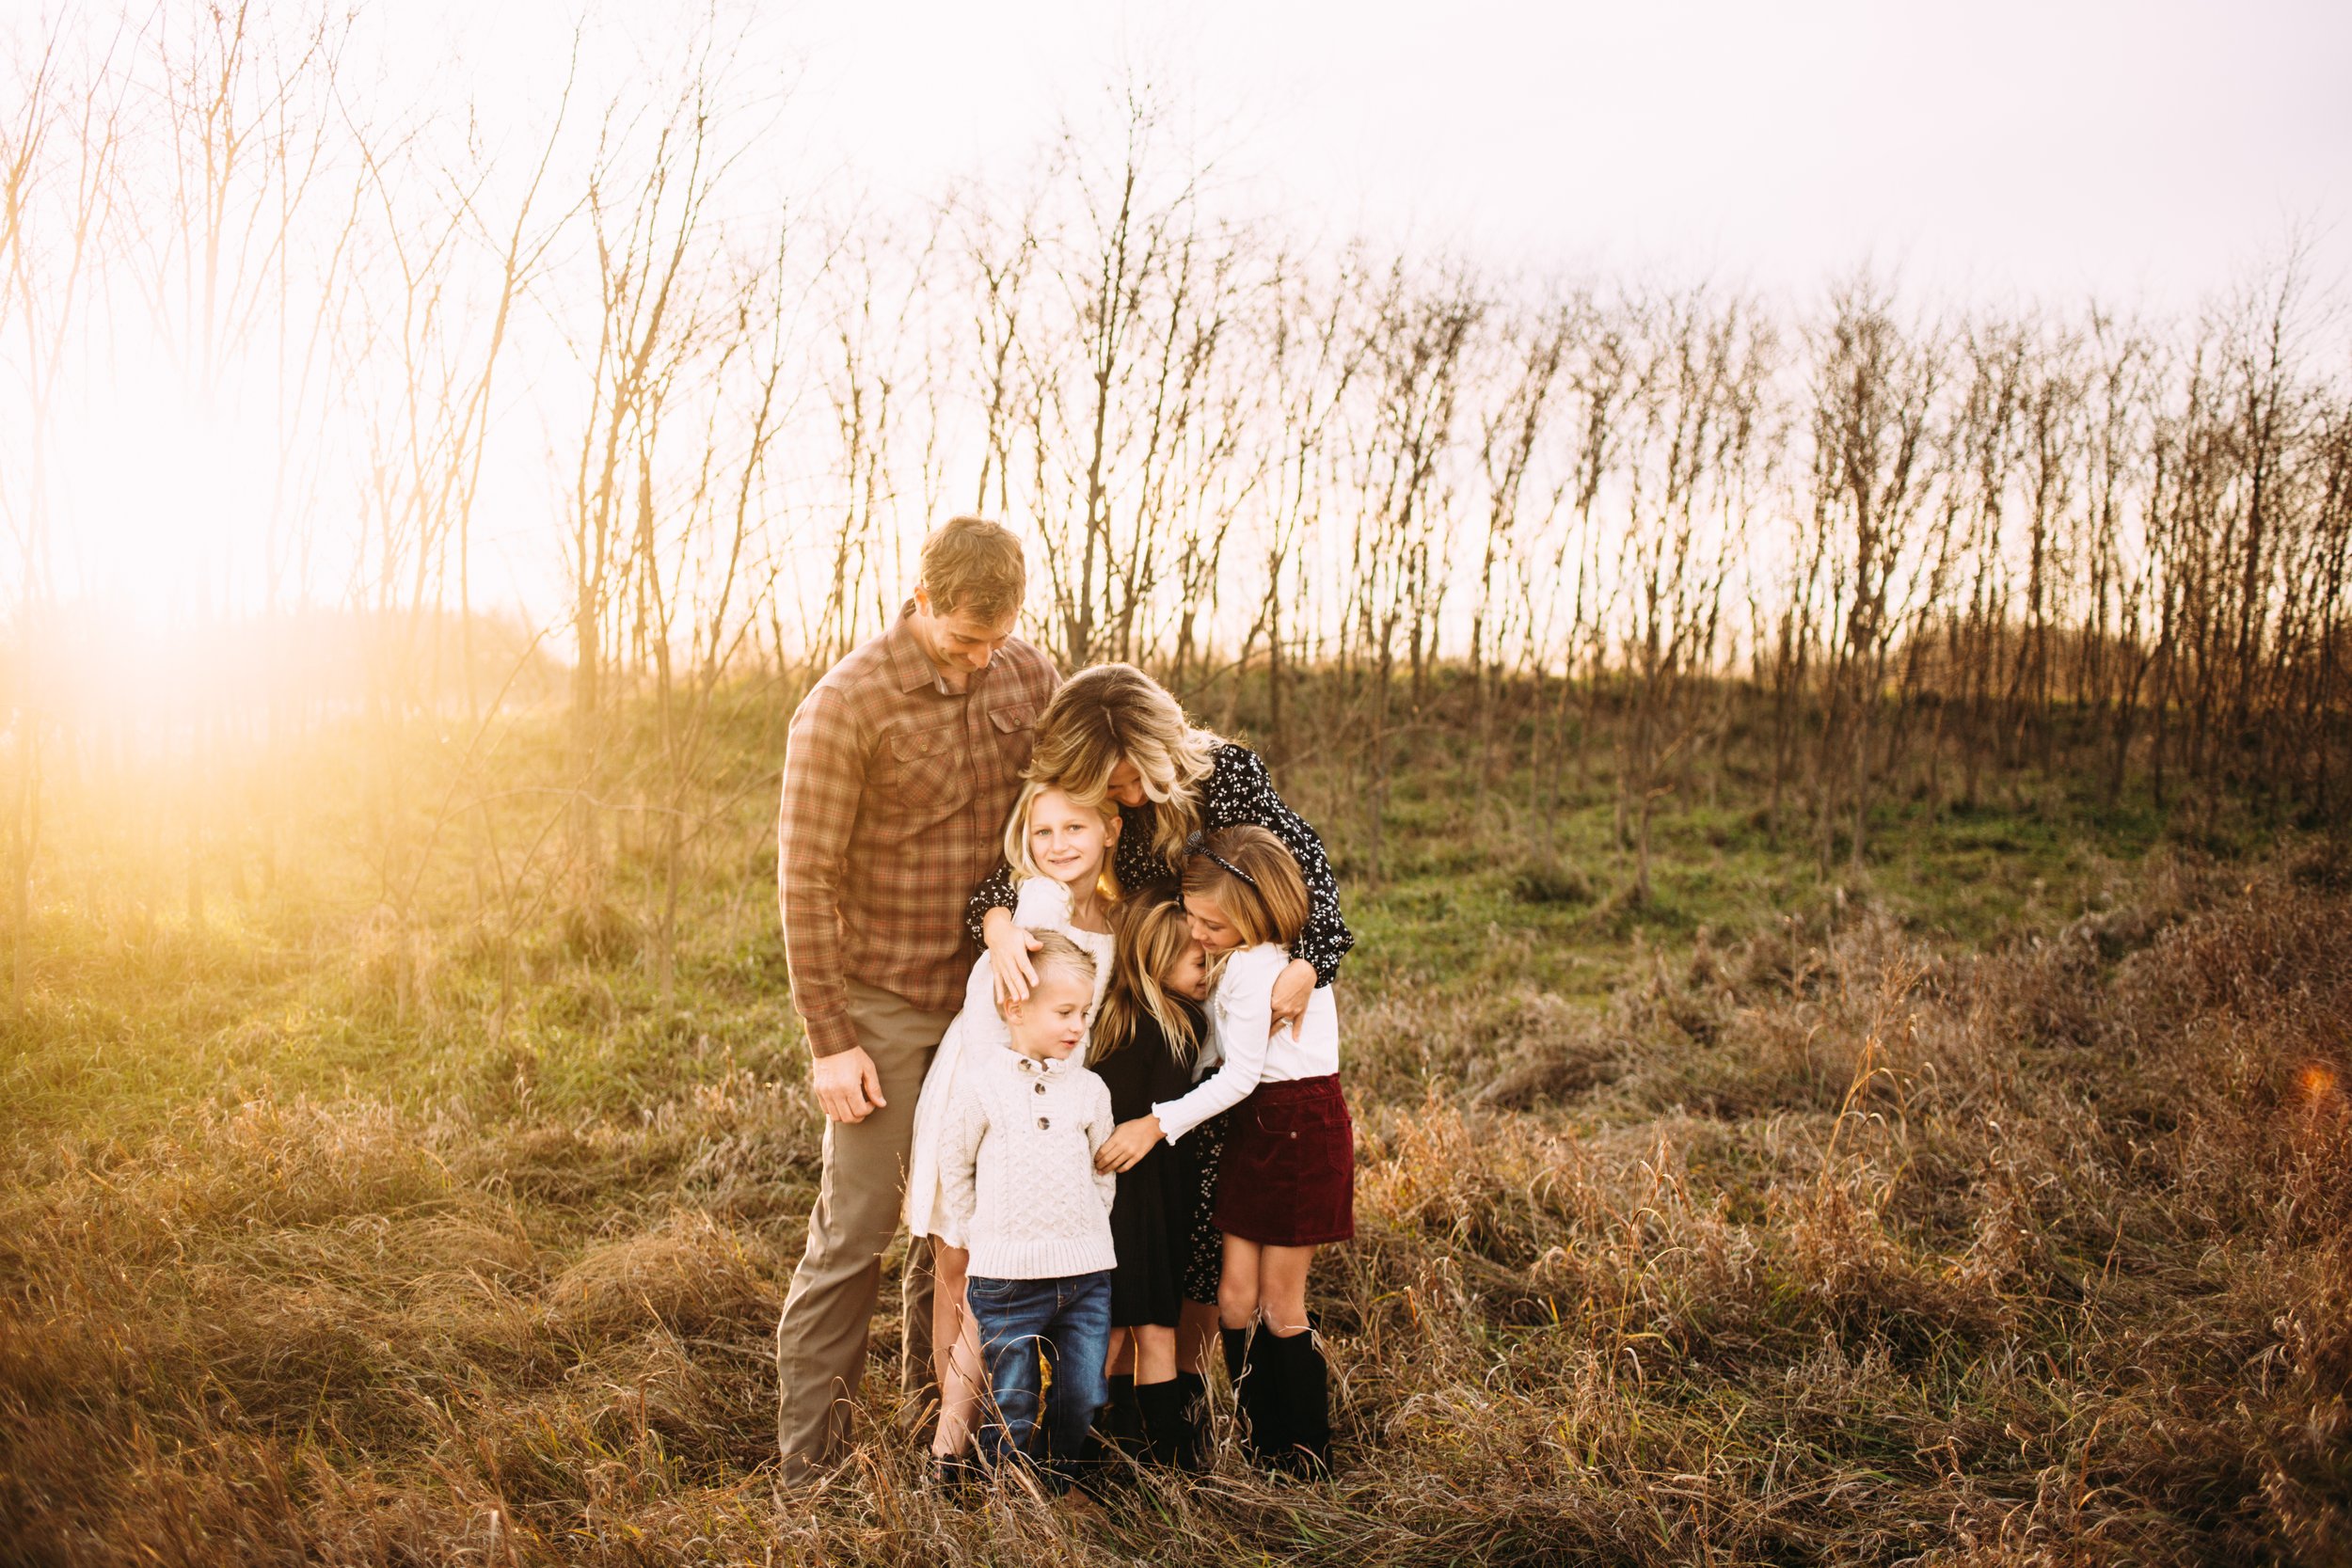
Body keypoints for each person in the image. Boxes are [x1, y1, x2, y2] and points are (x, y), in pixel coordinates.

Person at [771, 516, 1057, 1485]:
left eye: (997, 637)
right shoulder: (843, 706)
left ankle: (935, 1410)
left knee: (963, 1221)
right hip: (884, 999)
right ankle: (810, 1468)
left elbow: (1060, 806)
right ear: (920, 599)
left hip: (992, 994)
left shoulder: (1026, 672)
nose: (982, 659)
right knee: (857, 1227)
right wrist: (831, 1039)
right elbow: (803, 881)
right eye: (962, 639)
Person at [1095, 826, 1353, 1475]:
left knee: (1279, 1304)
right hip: (1257, 1129)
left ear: (1254, 914)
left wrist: (1155, 1122)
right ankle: (1252, 1433)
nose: (1199, 934)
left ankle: (1299, 1452)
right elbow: (1221, 1056)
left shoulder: (1265, 968)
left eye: (1212, 924)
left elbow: (1237, 1077)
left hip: (1296, 1127)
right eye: (1193, 917)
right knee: (1234, 1298)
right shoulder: (1242, 965)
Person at [903, 782, 1120, 1472]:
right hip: (983, 1094)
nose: (1056, 844)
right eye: (1041, 830)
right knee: (961, 1267)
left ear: (1109, 831)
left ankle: (994, 1441)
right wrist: (999, 925)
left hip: (1049, 1112)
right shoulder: (1032, 903)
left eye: (1073, 828)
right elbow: (993, 1013)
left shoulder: (1110, 919)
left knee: (998, 1286)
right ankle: (952, 1440)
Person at [965, 664, 1352, 1041]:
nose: (1133, 796)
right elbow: (1013, 876)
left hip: (1244, 968)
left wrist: (1309, 965)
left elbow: (1304, 861)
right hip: (1152, 989)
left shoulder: (1222, 773)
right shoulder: (1081, 798)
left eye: (1142, 777)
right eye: (1114, 788)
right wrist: (999, 930)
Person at [937, 931, 1120, 1485]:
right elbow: (956, 1165)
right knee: (1012, 1399)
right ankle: (1011, 1495)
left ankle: (1058, 1479)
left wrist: (1089, 1228)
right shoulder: (981, 1085)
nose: (1077, 1025)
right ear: (1015, 1007)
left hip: (1086, 1275)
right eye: (1064, 1011)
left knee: (1083, 1394)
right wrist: (981, 1234)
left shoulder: (1090, 1090)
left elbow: (1102, 1173)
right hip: (1007, 1279)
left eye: (1085, 1012)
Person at [1086, 887, 1216, 1467]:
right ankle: (1166, 1456)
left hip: (1106, 1198)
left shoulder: (1112, 1019)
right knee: (1156, 1328)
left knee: (1109, 1328)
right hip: (1152, 1199)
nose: (1208, 975)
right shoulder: (1178, 1023)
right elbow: (1172, 1111)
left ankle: (1098, 1442)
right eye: (1199, 963)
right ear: (1159, 966)